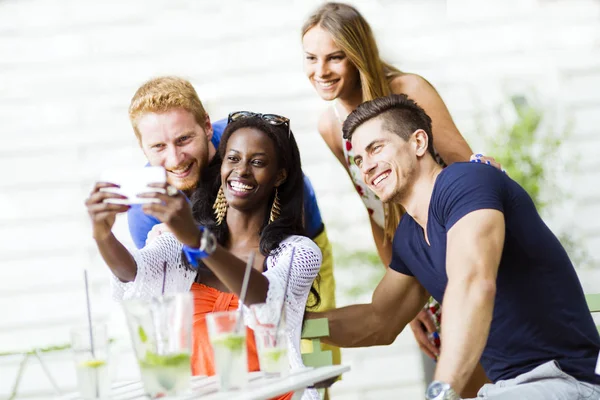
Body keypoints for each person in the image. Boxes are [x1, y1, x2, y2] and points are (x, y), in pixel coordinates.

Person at [313, 93, 600, 399]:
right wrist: (295, 326)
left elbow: (473, 282)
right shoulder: (410, 236)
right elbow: (378, 320)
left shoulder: (466, 183)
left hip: (568, 380)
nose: (366, 167)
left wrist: (442, 392)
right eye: (358, 160)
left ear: (419, 143)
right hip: (506, 390)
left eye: (376, 149)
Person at [301, 2, 490, 394]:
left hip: (458, 248)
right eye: (311, 58)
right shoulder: (331, 126)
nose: (321, 71)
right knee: (459, 381)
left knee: (484, 368)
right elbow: (375, 211)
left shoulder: (408, 90)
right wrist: (411, 303)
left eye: (335, 57)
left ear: (358, 55)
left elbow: (465, 170)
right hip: (415, 259)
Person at [86, 112, 322, 400]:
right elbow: (133, 273)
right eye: (233, 158)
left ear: (279, 176)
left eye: (257, 162)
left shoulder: (298, 253)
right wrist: (102, 234)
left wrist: (197, 240)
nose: (242, 171)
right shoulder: (177, 243)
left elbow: (266, 297)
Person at [125, 76, 340, 365]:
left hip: (288, 249)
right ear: (143, 149)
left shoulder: (245, 141)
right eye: (158, 147)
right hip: (216, 280)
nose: (175, 158)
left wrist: (193, 234)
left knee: (312, 357)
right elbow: (169, 294)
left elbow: (287, 220)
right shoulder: (144, 212)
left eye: (184, 139)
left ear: (206, 125)